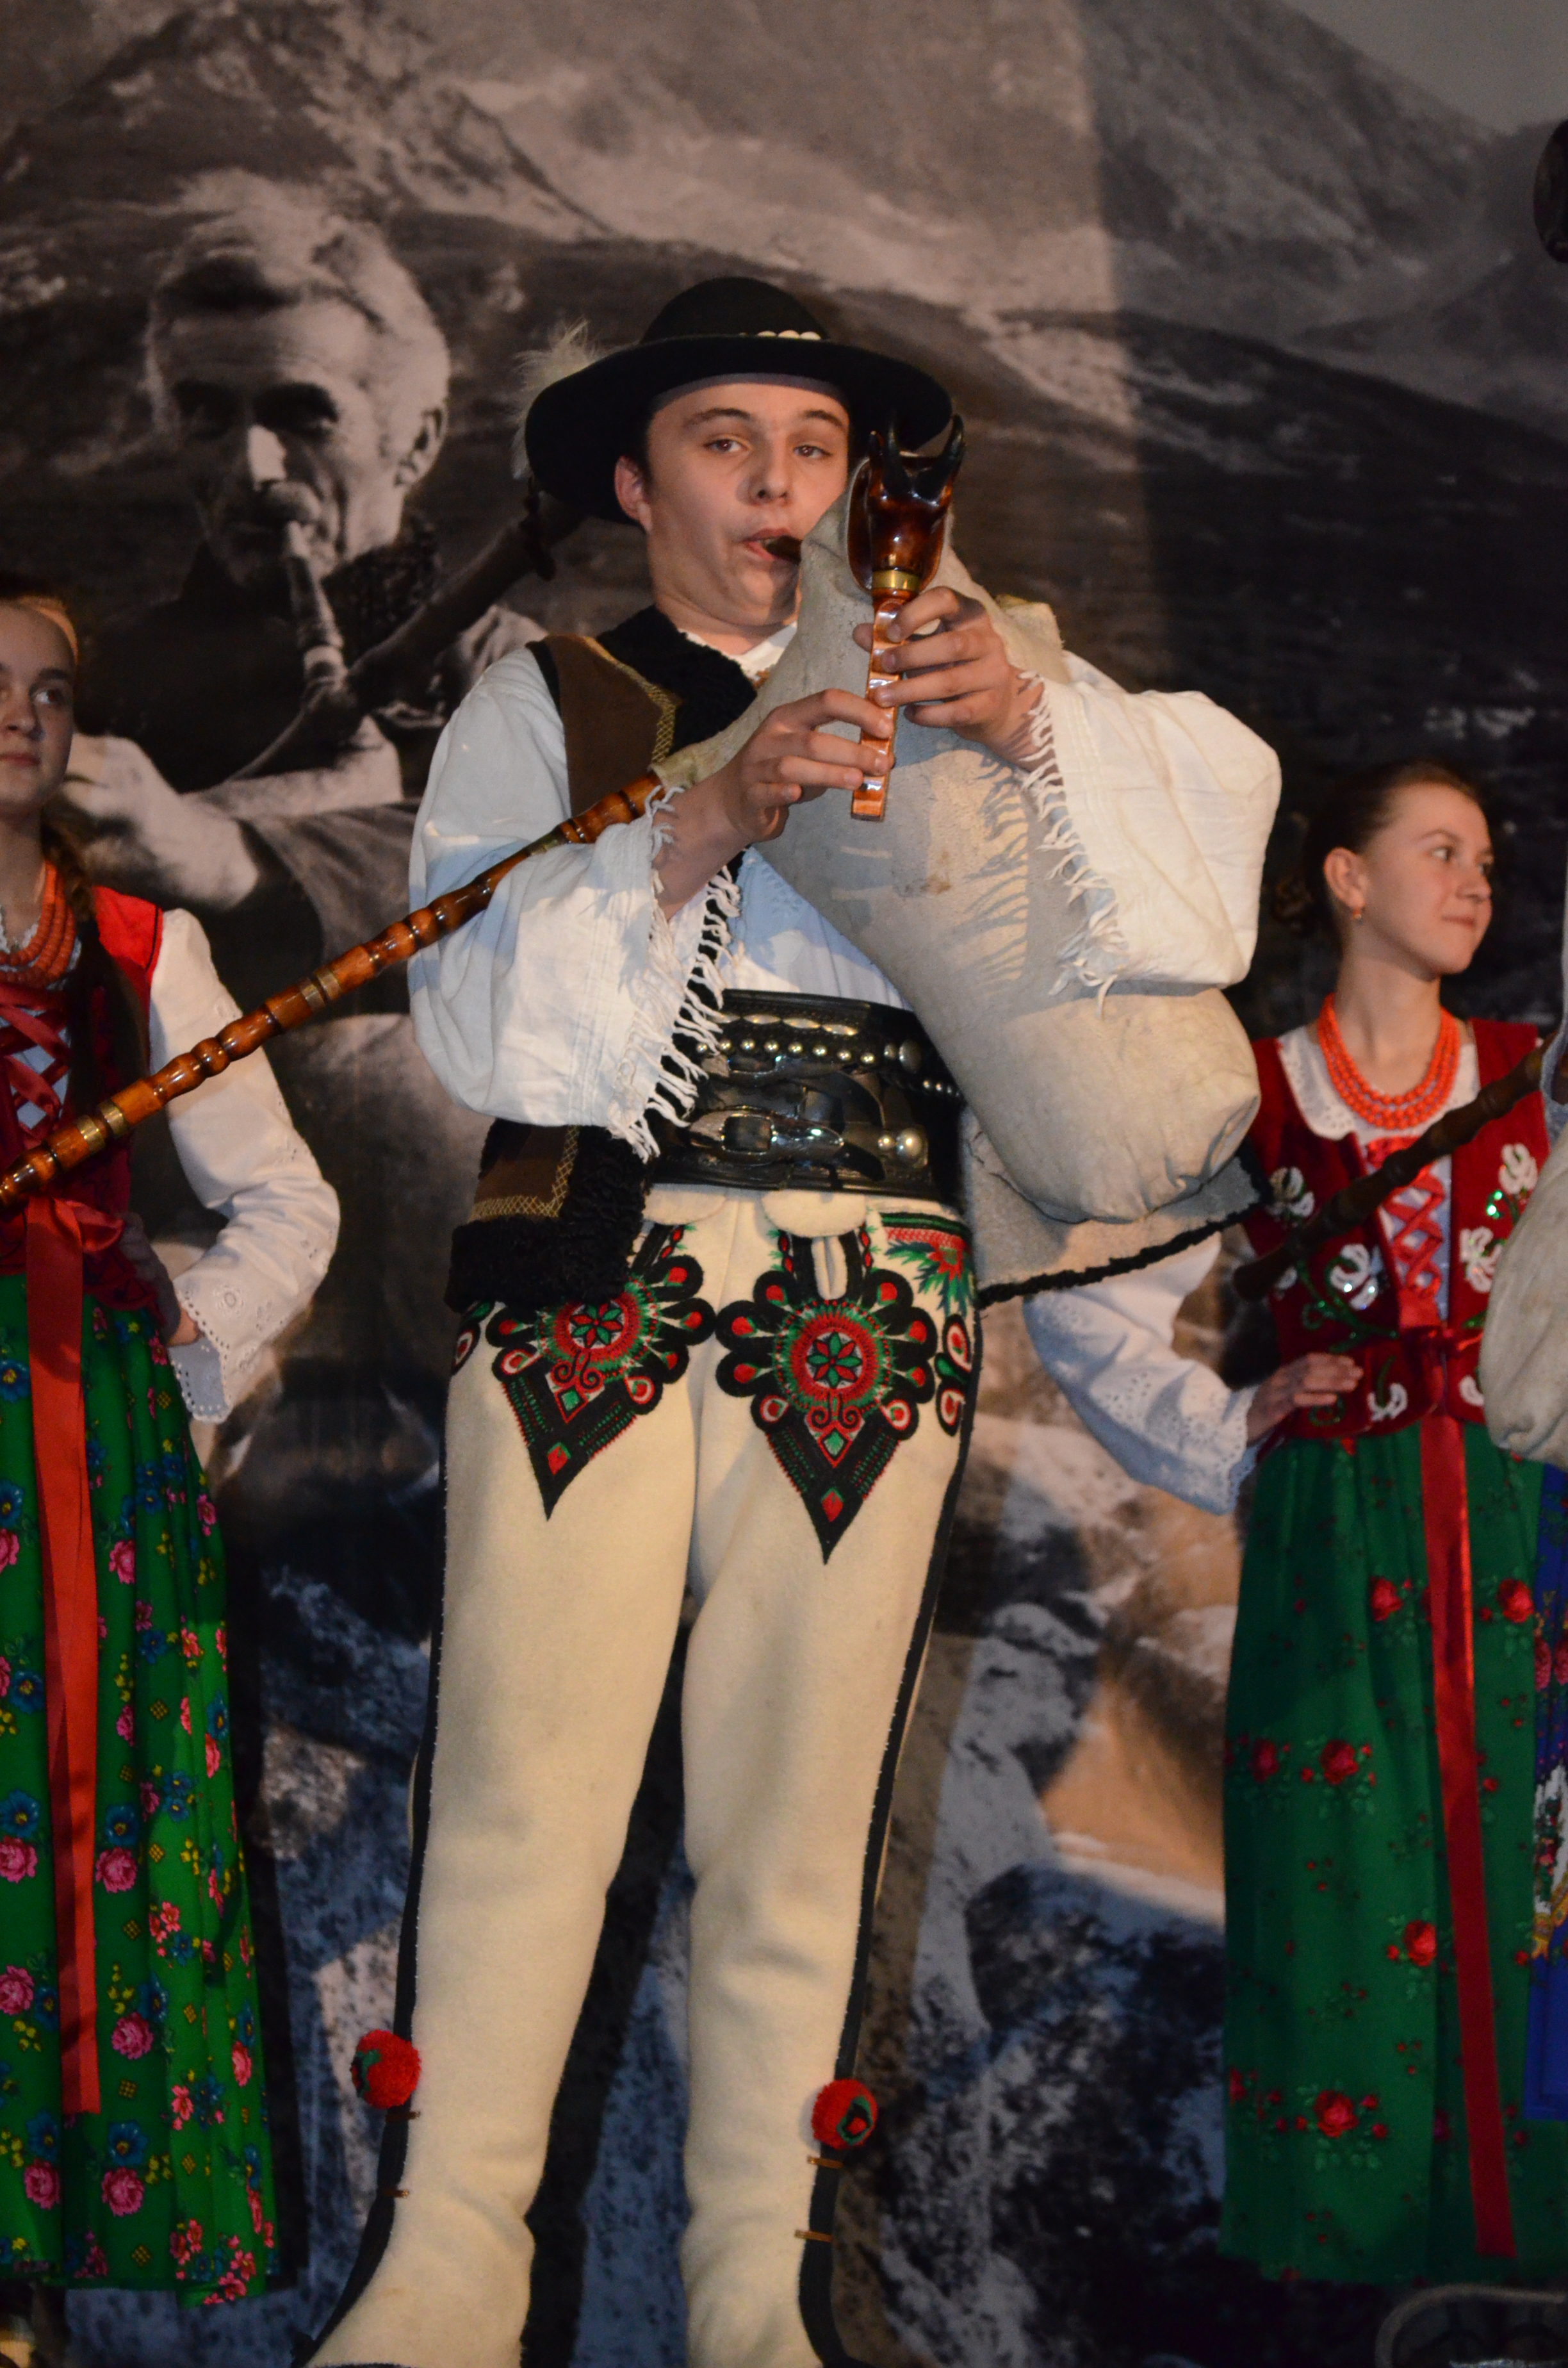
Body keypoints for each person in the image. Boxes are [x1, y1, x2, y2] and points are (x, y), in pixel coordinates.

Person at [306, 275, 1277, 2368]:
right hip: (593, 1268)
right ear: (634, 483)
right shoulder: (546, 701)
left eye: (815, 448)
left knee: (798, 1808)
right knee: (522, 1789)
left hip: (869, 1286)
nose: (776, 482)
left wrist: (1030, 729)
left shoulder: (969, 670)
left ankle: (754, 2283)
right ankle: (447, 2267)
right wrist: (714, 809)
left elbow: (1198, 889)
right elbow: (477, 1022)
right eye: (726, 440)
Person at [1026, 758, 1566, 2285]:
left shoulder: (1534, 1079)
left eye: (1487, 860)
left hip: (1526, 1526)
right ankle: (1365, 2283)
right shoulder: (1252, 1099)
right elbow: (1082, 1307)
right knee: (1348, 1881)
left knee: (1541, 1875)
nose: (1474, 882)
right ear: (1345, 877)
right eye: (1440, 850)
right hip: (1341, 1535)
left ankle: (1542, 2263)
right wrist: (1232, 1430)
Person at [0, 586, 338, 2364]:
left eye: (50, 691)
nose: (23, 715)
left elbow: (287, 1199)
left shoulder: (141, 948)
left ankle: (30, 2278)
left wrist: (174, 1365)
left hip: (82, 1450)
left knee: (75, 1833)